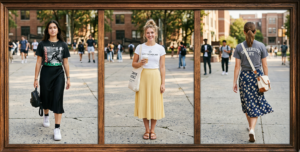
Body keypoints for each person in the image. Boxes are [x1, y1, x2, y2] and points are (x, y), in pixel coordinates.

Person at [233, 22, 273, 142]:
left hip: (244, 78)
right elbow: (264, 65)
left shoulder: (239, 47)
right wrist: (266, 78)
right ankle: (251, 129)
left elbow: (237, 67)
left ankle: (251, 128)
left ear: (244, 32)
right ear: (255, 32)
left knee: (247, 103)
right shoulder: (261, 46)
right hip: (257, 78)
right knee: (255, 103)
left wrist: (234, 82)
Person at [33, 20, 71, 141]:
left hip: (59, 74)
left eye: (55, 27)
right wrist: (35, 78)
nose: (53, 30)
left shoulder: (63, 45)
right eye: (50, 28)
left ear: (58, 30)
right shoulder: (42, 44)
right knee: (46, 96)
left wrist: (68, 78)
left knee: (57, 98)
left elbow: (65, 62)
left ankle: (57, 128)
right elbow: (38, 62)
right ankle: (46, 115)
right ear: (47, 30)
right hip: (45, 73)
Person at [132, 19, 165, 140]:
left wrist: (163, 83)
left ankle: (153, 130)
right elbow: (133, 64)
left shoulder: (160, 48)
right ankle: (146, 130)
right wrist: (139, 63)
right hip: (143, 77)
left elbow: (162, 67)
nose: (150, 35)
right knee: (144, 103)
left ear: (155, 33)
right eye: (148, 33)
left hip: (155, 77)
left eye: (152, 32)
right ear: (144, 34)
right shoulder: (140, 47)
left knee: (154, 103)